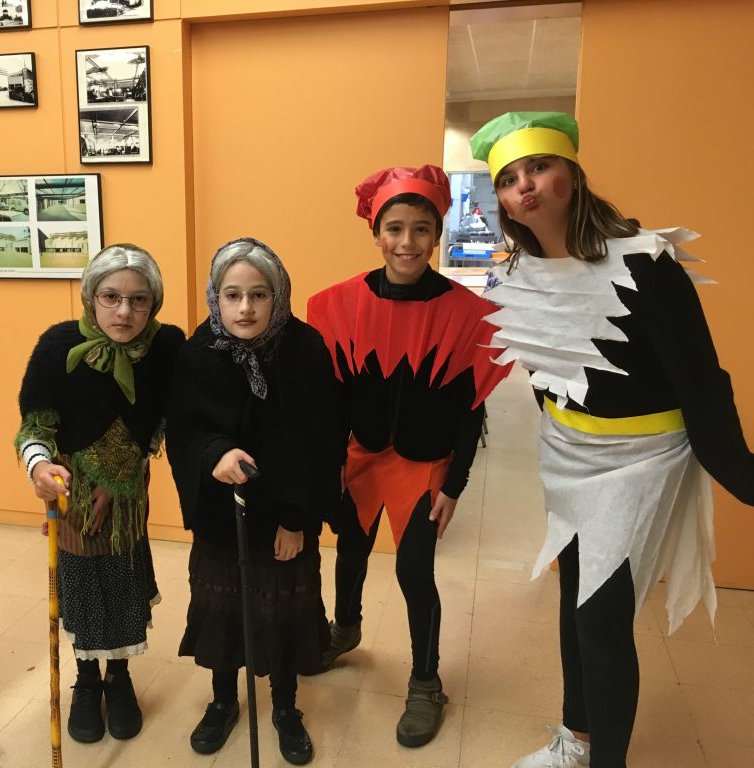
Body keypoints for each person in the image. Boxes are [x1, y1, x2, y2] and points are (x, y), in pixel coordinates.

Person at [470, 111, 754, 768]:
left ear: (571, 173)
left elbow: (701, 381)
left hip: (641, 462)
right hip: (566, 454)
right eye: (509, 178)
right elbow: (545, 373)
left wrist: (741, 474)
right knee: (574, 597)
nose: (525, 185)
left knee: (600, 617)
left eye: (539, 167)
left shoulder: (646, 263)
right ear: (503, 201)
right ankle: (579, 737)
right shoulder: (517, 274)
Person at [305, 165, 510, 748]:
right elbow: (332, 400)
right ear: (376, 233)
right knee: (350, 547)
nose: (407, 242)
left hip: (426, 465)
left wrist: (455, 485)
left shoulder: (469, 315)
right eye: (394, 228)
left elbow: (472, 409)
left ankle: (425, 680)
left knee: (413, 571)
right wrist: (330, 464)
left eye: (422, 229)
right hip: (361, 457)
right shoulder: (339, 305)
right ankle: (346, 629)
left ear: (438, 234)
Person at [166, 237, 340, 766]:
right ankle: (223, 700)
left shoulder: (305, 350)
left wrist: (297, 520)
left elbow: (321, 442)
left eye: (259, 294)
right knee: (225, 608)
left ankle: (285, 706)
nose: (245, 308)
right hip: (224, 515)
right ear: (215, 297)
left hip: (286, 513)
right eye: (232, 294)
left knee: (282, 610)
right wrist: (213, 453)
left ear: (278, 296)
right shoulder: (198, 351)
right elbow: (184, 429)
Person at [15, 244, 184, 744]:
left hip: (128, 494)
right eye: (111, 297)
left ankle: (120, 676)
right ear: (91, 298)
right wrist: (39, 465)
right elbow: (35, 427)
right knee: (83, 583)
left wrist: (117, 480)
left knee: (123, 580)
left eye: (138, 300)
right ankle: (87, 679)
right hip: (72, 494)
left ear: (153, 303)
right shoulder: (58, 345)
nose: (124, 311)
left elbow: (163, 422)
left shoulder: (167, 347)